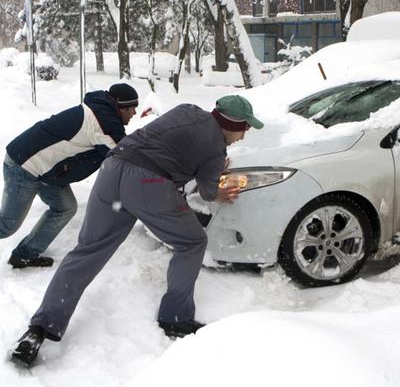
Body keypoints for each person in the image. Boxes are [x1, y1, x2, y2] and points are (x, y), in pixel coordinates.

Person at [10, 94, 263, 366]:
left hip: (112, 169)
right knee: (192, 242)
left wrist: (204, 164)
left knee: (87, 251)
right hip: (148, 183)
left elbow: (173, 145)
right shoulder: (216, 148)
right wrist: (219, 188)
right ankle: (175, 318)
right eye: (245, 127)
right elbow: (208, 191)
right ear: (230, 123)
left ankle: (39, 329)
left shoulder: (185, 110)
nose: (245, 134)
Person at [0, 83, 139, 269]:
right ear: (121, 107)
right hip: (24, 165)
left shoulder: (102, 113)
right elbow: (124, 154)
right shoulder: (102, 120)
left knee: (65, 207)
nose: (134, 113)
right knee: (7, 225)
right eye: (132, 109)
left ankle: (24, 255)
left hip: (47, 170)